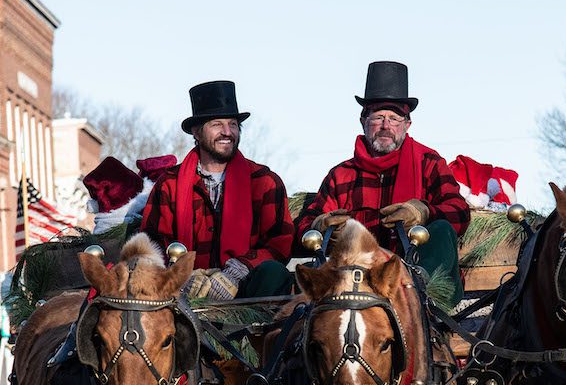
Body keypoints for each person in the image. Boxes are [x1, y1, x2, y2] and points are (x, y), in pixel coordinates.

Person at [295, 61, 471, 306]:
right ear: (363, 121)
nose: (386, 126)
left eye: (394, 118)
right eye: (378, 117)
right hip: (355, 289)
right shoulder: (341, 175)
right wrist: (320, 224)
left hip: (413, 279)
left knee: (441, 229)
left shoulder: (428, 162)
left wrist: (423, 211)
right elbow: (304, 226)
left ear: (407, 125)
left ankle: (424, 306)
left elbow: (460, 213)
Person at [139, 80, 294, 300]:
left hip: (246, 290)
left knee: (274, 273)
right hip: (183, 294)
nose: (227, 132)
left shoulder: (265, 181)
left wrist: (237, 271)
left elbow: (280, 243)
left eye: (232, 124)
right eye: (217, 124)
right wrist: (183, 277)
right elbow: (152, 244)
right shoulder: (169, 184)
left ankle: (254, 332)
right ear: (196, 131)